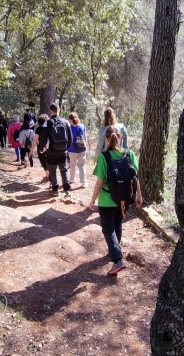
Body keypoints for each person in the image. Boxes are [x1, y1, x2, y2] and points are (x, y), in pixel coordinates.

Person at [88, 125, 143, 275]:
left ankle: (117, 259)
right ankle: (115, 249)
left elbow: (99, 183)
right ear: (121, 137)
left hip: (107, 200)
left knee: (108, 229)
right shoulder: (129, 154)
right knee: (118, 224)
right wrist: (139, 196)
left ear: (106, 139)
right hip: (124, 199)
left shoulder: (104, 157)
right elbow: (135, 178)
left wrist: (92, 201)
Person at [42, 103, 72, 197]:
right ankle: (67, 190)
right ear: (59, 110)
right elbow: (70, 139)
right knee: (64, 170)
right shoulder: (66, 122)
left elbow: (44, 137)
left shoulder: (48, 122)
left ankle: (55, 190)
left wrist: (41, 148)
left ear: (51, 111)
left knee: (52, 170)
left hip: (52, 152)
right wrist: (66, 147)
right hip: (63, 151)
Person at [67, 112, 88, 188]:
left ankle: (72, 179)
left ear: (70, 120)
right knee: (81, 166)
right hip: (82, 149)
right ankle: (84, 182)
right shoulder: (82, 126)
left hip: (72, 150)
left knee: (72, 165)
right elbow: (85, 138)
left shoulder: (69, 128)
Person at [34, 114, 50, 182]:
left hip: (41, 147)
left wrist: (32, 150)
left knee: (43, 161)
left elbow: (35, 140)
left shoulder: (39, 129)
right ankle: (50, 176)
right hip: (50, 146)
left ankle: (48, 176)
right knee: (50, 161)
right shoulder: (50, 127)